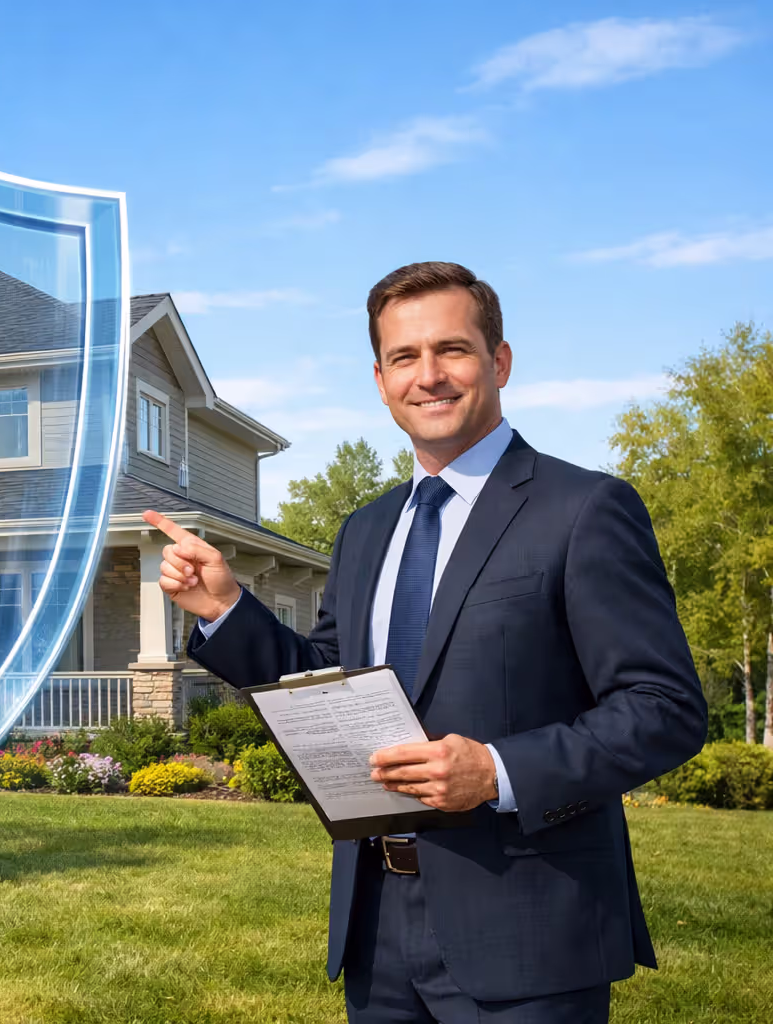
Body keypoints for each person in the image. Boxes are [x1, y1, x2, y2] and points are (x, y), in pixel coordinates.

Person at [142, 261, 706, 1023]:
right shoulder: (366, 528)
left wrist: (498, 770)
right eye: (405, 358)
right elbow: (329, 685)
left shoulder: (584, 509)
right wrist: (227, 608)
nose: (429, 376)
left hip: (530, 930)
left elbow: (663, 707)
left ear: (498, 361)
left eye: (453, 350)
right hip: (375, 929)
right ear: (380, 379)